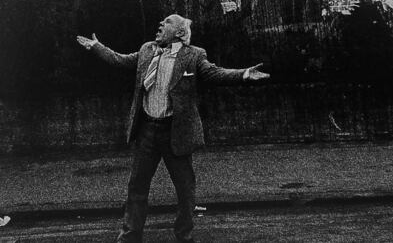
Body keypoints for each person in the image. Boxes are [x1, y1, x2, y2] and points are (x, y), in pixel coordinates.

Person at [76, 14, 270, 242]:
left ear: (179, 32)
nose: (160, 24)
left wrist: (244, 74)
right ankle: (129, 237)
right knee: (137, 187)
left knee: (185, 190)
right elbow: (120, 60)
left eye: (166, 22)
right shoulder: (147, 50)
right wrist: (97, 47)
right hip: (147, 130)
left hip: (175, 132)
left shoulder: (193, 55)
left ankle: (184, 236)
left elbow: (215, 73)